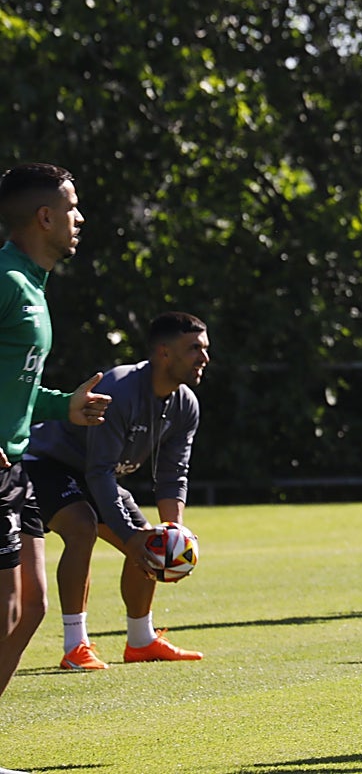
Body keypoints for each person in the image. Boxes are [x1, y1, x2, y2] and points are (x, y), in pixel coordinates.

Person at [0, 163, 111, 774]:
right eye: (71, 208)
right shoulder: (5, 281)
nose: (79, 219)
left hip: (16, 465)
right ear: (44, 217)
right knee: (7, 611)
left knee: (35, 605)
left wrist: (62, 404)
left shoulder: (34, 285)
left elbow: (18, 389)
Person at [25, 312, 211, 670]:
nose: (204, 358)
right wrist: (130, 536)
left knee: (150, 541)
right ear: (164, 353)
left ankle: (141, 641)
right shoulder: (121, 389)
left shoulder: (186, 404)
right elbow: (98, 471)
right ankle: (74, 646)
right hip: (46, 462)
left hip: (98, 474)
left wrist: (174, 533)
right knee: (83, 527)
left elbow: (173, 474)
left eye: (205, 349)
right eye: (193, 349)